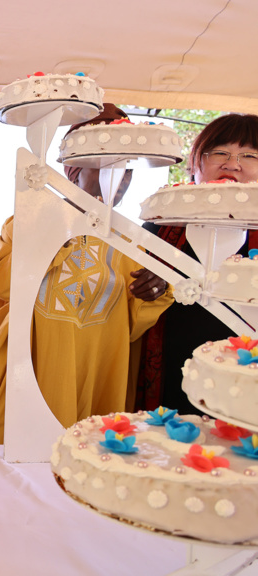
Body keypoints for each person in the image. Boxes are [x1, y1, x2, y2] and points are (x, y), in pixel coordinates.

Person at [0, 104, 173, 444]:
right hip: (32, 380)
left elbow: (132, 323)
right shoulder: (27, 222)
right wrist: (53, 237)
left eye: (127, 171)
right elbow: (1, 285)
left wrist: (156, 289)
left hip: (97, 378)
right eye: (105, 167)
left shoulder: (131, 241)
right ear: (72, 171)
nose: (121, 180)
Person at [137, 113, 258, 414]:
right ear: (196, 162)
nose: (232, 163)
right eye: (220, 152)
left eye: (249, 155)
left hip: (243, 381)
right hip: (168, 369)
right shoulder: (161, 224)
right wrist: (143, 291)